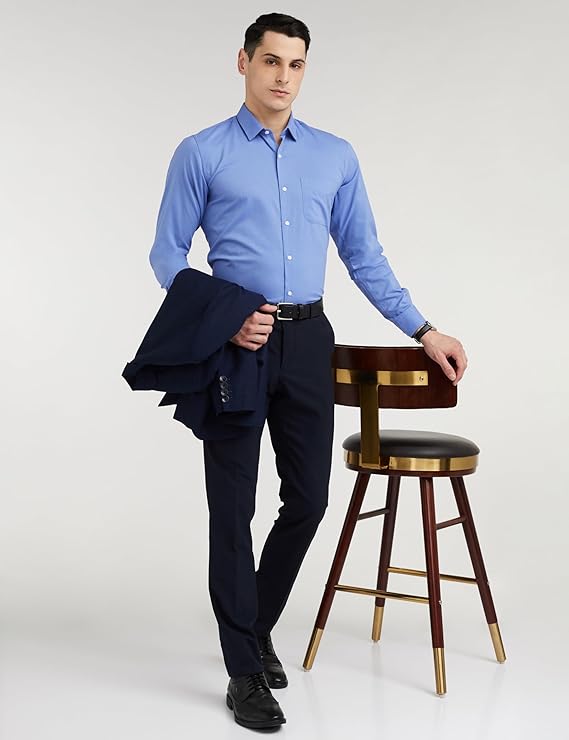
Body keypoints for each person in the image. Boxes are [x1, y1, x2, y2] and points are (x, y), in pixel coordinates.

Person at [148, 11, 467, 731]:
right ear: (243, 62)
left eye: (295, 65)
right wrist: (226, 315)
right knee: (232, 508)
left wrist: (424, 330)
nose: (283, 77)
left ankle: (253, 626)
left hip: (308, 342)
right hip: (238, 343)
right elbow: (167, 255)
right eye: (270, 61)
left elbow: (364, 257)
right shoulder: (201, 152)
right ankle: (243, 671)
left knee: (310, 499)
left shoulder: (334, 156)